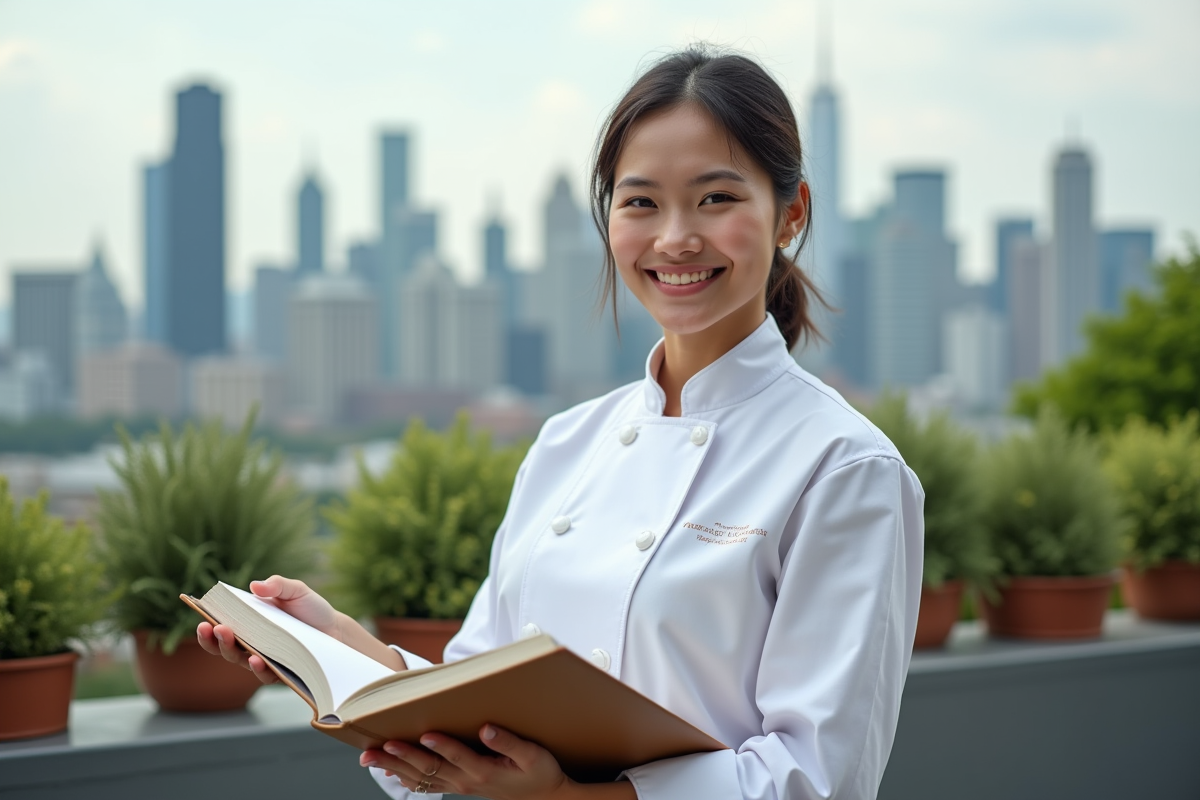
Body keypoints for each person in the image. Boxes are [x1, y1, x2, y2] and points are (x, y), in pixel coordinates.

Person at [199, 46, 924, 800]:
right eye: (640, 202)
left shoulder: (844, 470)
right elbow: (472, 698)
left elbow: (818, 779)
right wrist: (336, 648)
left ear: (791, 213)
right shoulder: (566, 444)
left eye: (715, 199)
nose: (675, 238)